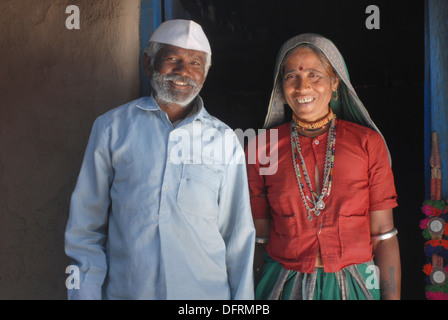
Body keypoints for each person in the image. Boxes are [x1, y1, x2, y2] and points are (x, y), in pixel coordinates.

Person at [65, 19, 255, 300]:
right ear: (148, 63)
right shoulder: (111, 128)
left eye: (195, 63)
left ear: (205, 73)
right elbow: (85, 228)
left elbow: (238, 237)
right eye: (172, 58)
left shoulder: (225, 141)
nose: (183, 71)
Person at [246, 33, 401, 300]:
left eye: (314, 75)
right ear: (281, 87)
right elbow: (257, 238)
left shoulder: (367, 144)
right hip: (280, 285)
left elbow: (384, 236)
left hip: (355, 286)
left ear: (335, 82)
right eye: (291, 76)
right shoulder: (262, 148)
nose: (302, 86)